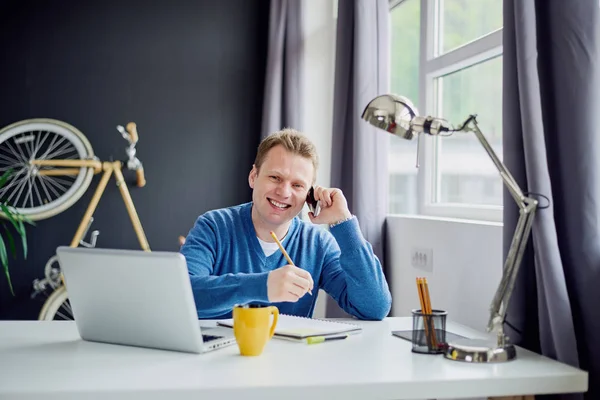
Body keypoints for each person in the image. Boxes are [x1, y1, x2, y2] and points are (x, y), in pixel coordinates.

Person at [180, 128, 392, 320]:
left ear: (309, 194)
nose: (284, 192)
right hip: (218, 359)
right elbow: (183, 295)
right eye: (275, 178)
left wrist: (344, 222)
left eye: (298, 185)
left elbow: (375, 308)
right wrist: (262, 286)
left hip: (290, 361)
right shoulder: (214, 226)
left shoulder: (317, 243)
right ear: (254, 176)